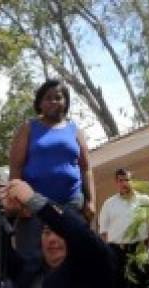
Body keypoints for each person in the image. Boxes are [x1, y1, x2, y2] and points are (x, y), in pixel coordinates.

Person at [9, 79, 95, 276]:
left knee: (76, 261)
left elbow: (86, 167)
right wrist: (19, 203)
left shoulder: (75, 130)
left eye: (59, 97)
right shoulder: (28, 128)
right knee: (32, 265)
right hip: (34, 209)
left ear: (66, 102)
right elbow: (15, 168)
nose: (54, 102)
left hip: (71, 205)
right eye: (48, 98)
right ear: (39, 102)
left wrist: (91, 201)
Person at [97, 168, 149, 288]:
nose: (125, 183)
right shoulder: (109, 204)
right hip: (117, 250)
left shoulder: (144, 201)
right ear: (116, 183)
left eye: (128, 180)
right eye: (121, 180)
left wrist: (148, 249)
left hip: (138, 249)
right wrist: (107, 254)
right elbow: (103, 233)